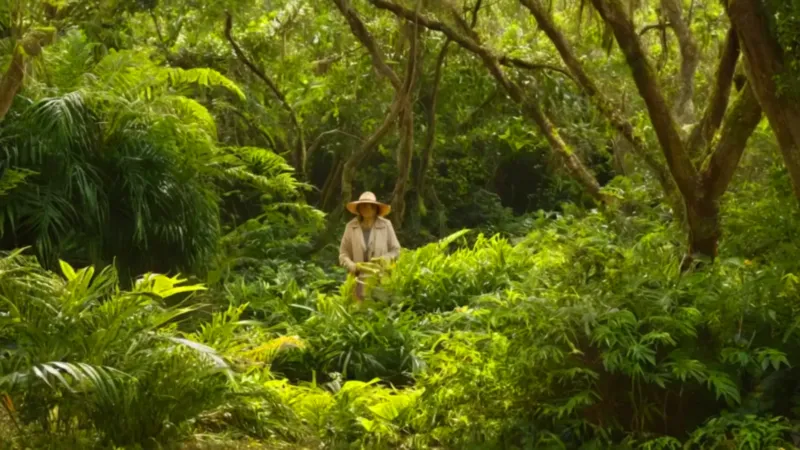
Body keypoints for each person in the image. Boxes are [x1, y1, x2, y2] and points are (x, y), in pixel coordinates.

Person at [339, 192, 401, 300]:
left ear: (375, 208)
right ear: (359, 209)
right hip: (357, 279)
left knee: (378, 309)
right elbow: (343, 253)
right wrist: (351, 265)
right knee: (358, 311)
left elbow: (396, 250)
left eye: (370, 205)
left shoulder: (386, 225)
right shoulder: (350, 226)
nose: (366, 208)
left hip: (380, 278)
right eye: (363, 205)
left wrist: (383, 259)